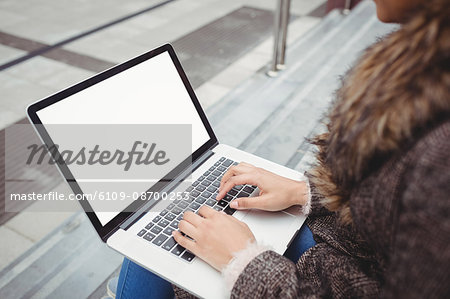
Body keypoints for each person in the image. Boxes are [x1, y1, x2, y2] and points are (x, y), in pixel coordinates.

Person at [116, 0, 450, 297]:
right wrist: (304, 192)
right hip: (342, 249)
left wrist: (244, 262)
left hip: (336, 272)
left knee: (159, 236)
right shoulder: (423, 64)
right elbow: (392, 199)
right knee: (166, 222)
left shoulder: (441, 150)